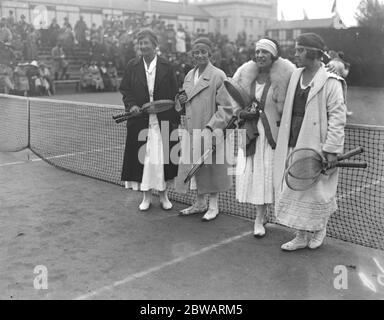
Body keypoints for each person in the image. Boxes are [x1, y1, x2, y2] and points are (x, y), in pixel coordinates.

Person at [274, 33, 347, 251]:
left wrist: (331, 150)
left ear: (313, 53)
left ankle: (319, 228)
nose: (295, 54)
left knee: (317, 191)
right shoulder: (294, 74)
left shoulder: (331, 81)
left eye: (300, 50)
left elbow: (337, 117)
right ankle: (301, 235)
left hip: (317, 144)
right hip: (293, 140)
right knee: (296, 188)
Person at [229, 38, 295, 236]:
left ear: (273, 55)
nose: (260, 56)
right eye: (257, 52)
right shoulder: (244, 73)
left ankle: (272, 217)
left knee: (270, 175)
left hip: (272, 135)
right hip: (250, 132)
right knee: (255, 174)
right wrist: (241, 114)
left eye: (264, 52)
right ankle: (259, 217)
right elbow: (233, 100)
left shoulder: (287, 74)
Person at [119, 29, 180, 211]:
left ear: (155, 45)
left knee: (162, 158)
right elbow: (126, 90)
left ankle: (163, 195)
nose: (143, 46)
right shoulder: (132, 65)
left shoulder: (167, 66)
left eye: (146, 43)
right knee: (144, 159)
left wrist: (173, 114)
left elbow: (174, 94)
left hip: (164, 120)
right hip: (140, 121)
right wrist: (132, 106)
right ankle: (146, 196)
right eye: (140, 43)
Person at [176, 37, 233, 222]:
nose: (199, 55)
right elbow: (183, 100)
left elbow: (226, 108)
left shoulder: (218, 75)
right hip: (191, 129)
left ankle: (213, 206)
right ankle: (199, 203)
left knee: (212, 168)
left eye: (203, 52)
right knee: (196, 167)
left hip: (210, 129)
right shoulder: (188, 75)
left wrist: (211, 127)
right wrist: (180, 100)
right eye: (196, 52)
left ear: (210, 54)